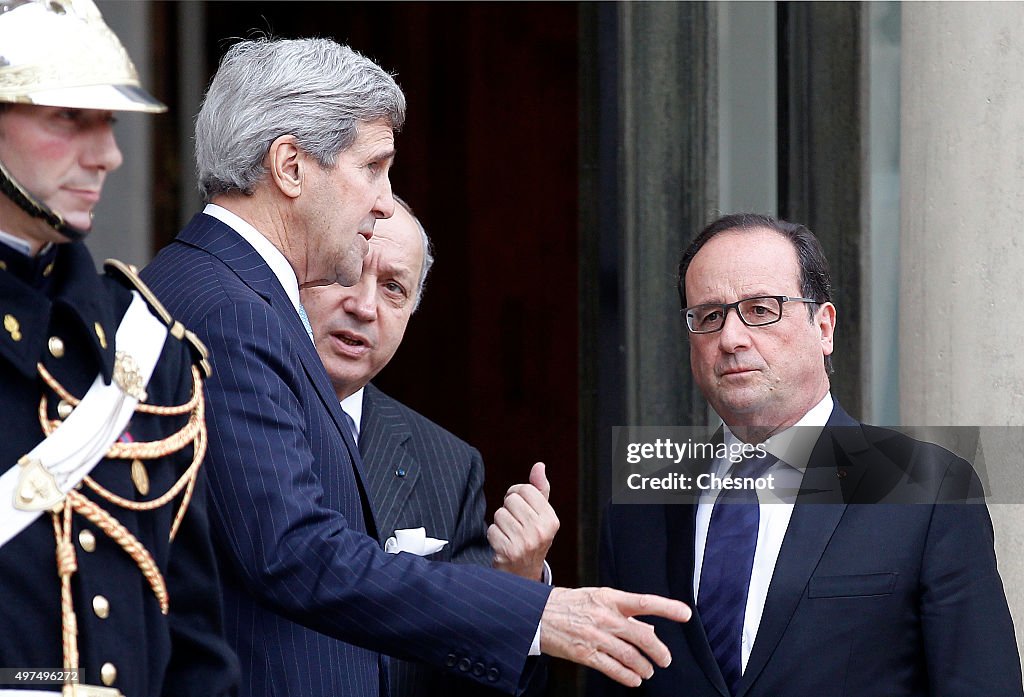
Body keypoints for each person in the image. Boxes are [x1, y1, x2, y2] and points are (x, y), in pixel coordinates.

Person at [141, 36, 690, 697]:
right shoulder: (235, 308)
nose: (383, 201)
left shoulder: (208, 286)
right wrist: (534, 612)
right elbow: (292, 553)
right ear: (289, 166)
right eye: (374, 167)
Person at [591, 213, 1023, 697]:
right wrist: (520, 588)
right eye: (710, 316)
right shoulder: (638, 509)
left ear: (824, 326)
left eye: (760, 309)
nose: (731, 339)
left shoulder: (926, 487)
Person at [0, 1, 238, 696]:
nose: (108, 155)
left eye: (107, 122)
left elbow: (193, 633)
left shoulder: (145, 341)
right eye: (69, 119)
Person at [301, 196, 558, 697]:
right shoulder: (219, 412)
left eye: (393, 288)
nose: (364, 305)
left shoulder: (448, 465)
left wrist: (516, 588)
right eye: (347, 273)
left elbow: (465, 687)